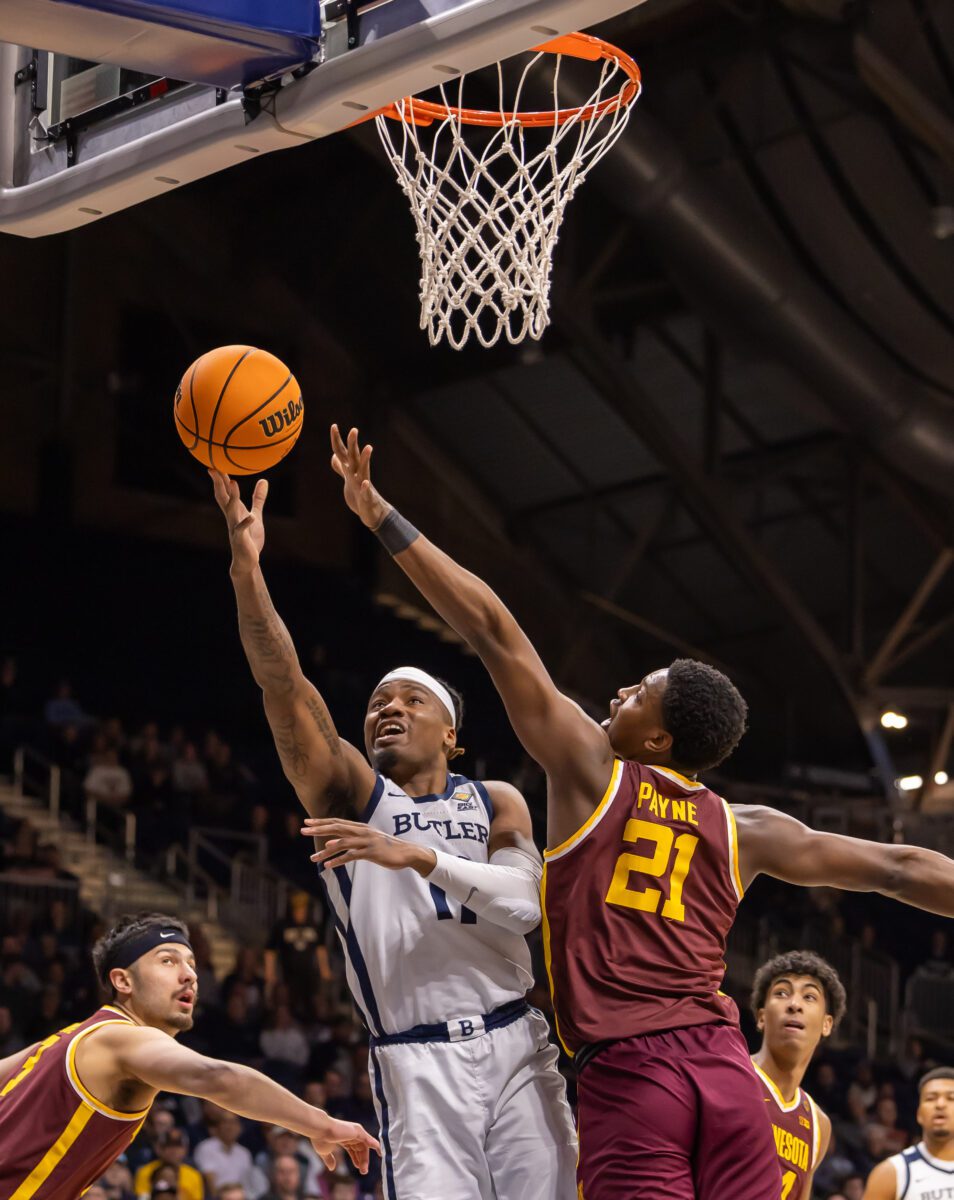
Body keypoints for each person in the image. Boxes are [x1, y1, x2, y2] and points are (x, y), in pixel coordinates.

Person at [327, 423, 954, 1200]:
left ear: (655, 736)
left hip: (632, 1075)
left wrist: (381, 515)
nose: (620, 692)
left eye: (638, 691)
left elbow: (492, 629)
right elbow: (901, 866)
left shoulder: (590, 769)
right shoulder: (747, 827)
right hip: (728, 1077)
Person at [210, 467, 577, 1200]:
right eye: (379, 700)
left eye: (411, 699)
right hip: (415, 1062)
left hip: (517, 1047)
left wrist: (419, 856)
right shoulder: (351, 790)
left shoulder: (497, 798)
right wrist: (248, 571)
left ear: (452, 735)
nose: (388, 708)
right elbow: (283, 687)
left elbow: (524, 908)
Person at [0, 912, 377, 1200]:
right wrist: (322, 1125)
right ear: (123, 981)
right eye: (168, 961)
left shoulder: (65, 1041)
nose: (189, 976)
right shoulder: (121, 1040)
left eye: (192, 964)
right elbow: (219, 1078)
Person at [750, 951, 845, 1199]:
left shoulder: (818, 1124)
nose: (794, 1004)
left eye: (809, 996)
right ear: (761, 1017)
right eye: (781, 993)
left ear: (827, 1024)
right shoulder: (730, 1075)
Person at [863, 1068, 954, 1199]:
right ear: (919, 1114)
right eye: (930, 1098)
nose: (940, 1104)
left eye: (951, 1098)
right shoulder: (892, 1173)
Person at [133, 1128, 204, 1200]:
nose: (173, 1150)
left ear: (186, 1149)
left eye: (178, 1146)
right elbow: (142, 1198)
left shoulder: (194, 1175)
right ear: (159, 1148)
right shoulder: (145, 1172)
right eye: (168, 1145)